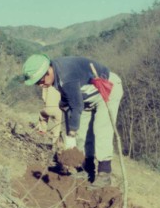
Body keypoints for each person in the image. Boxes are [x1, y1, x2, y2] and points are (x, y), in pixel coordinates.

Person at [22, 54, 123, 188]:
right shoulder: (56, 75)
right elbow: (70, 99)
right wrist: (64, 104)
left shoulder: (66, 75)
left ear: (48, 71)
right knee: (82, 133)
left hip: (106, 89)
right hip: (86, 96)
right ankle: (87, 170)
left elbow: (76, 106)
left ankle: (104, 174)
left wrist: (71, 133)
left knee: (101, 130)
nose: (40, 85)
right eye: (37, 83)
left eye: (40, 81)